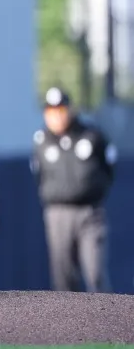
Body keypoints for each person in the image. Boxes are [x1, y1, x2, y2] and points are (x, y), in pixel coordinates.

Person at [31, 87, 117, 292]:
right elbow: (38, 174)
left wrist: (95, 191)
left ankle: (104, 320)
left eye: (61, 110)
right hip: (58, 213)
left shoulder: (91, 135)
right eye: (51, 111)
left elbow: (109, 167)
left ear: (70, 110)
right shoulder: (41, 141)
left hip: (90, 212)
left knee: (95, 273)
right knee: (63, 277)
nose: (56, 116)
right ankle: (67, 324)